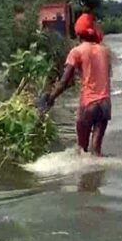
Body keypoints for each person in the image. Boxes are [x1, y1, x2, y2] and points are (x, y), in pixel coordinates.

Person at [44, 12, 112, 156]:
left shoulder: (77, 51)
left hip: (88, 104)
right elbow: (106, 75)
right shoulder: (105, 51)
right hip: (105, 104)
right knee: (96, 152)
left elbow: (64, 82)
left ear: (78, 33)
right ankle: (97, 177)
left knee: (81, 150)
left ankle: (85, 178)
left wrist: (50, 98)